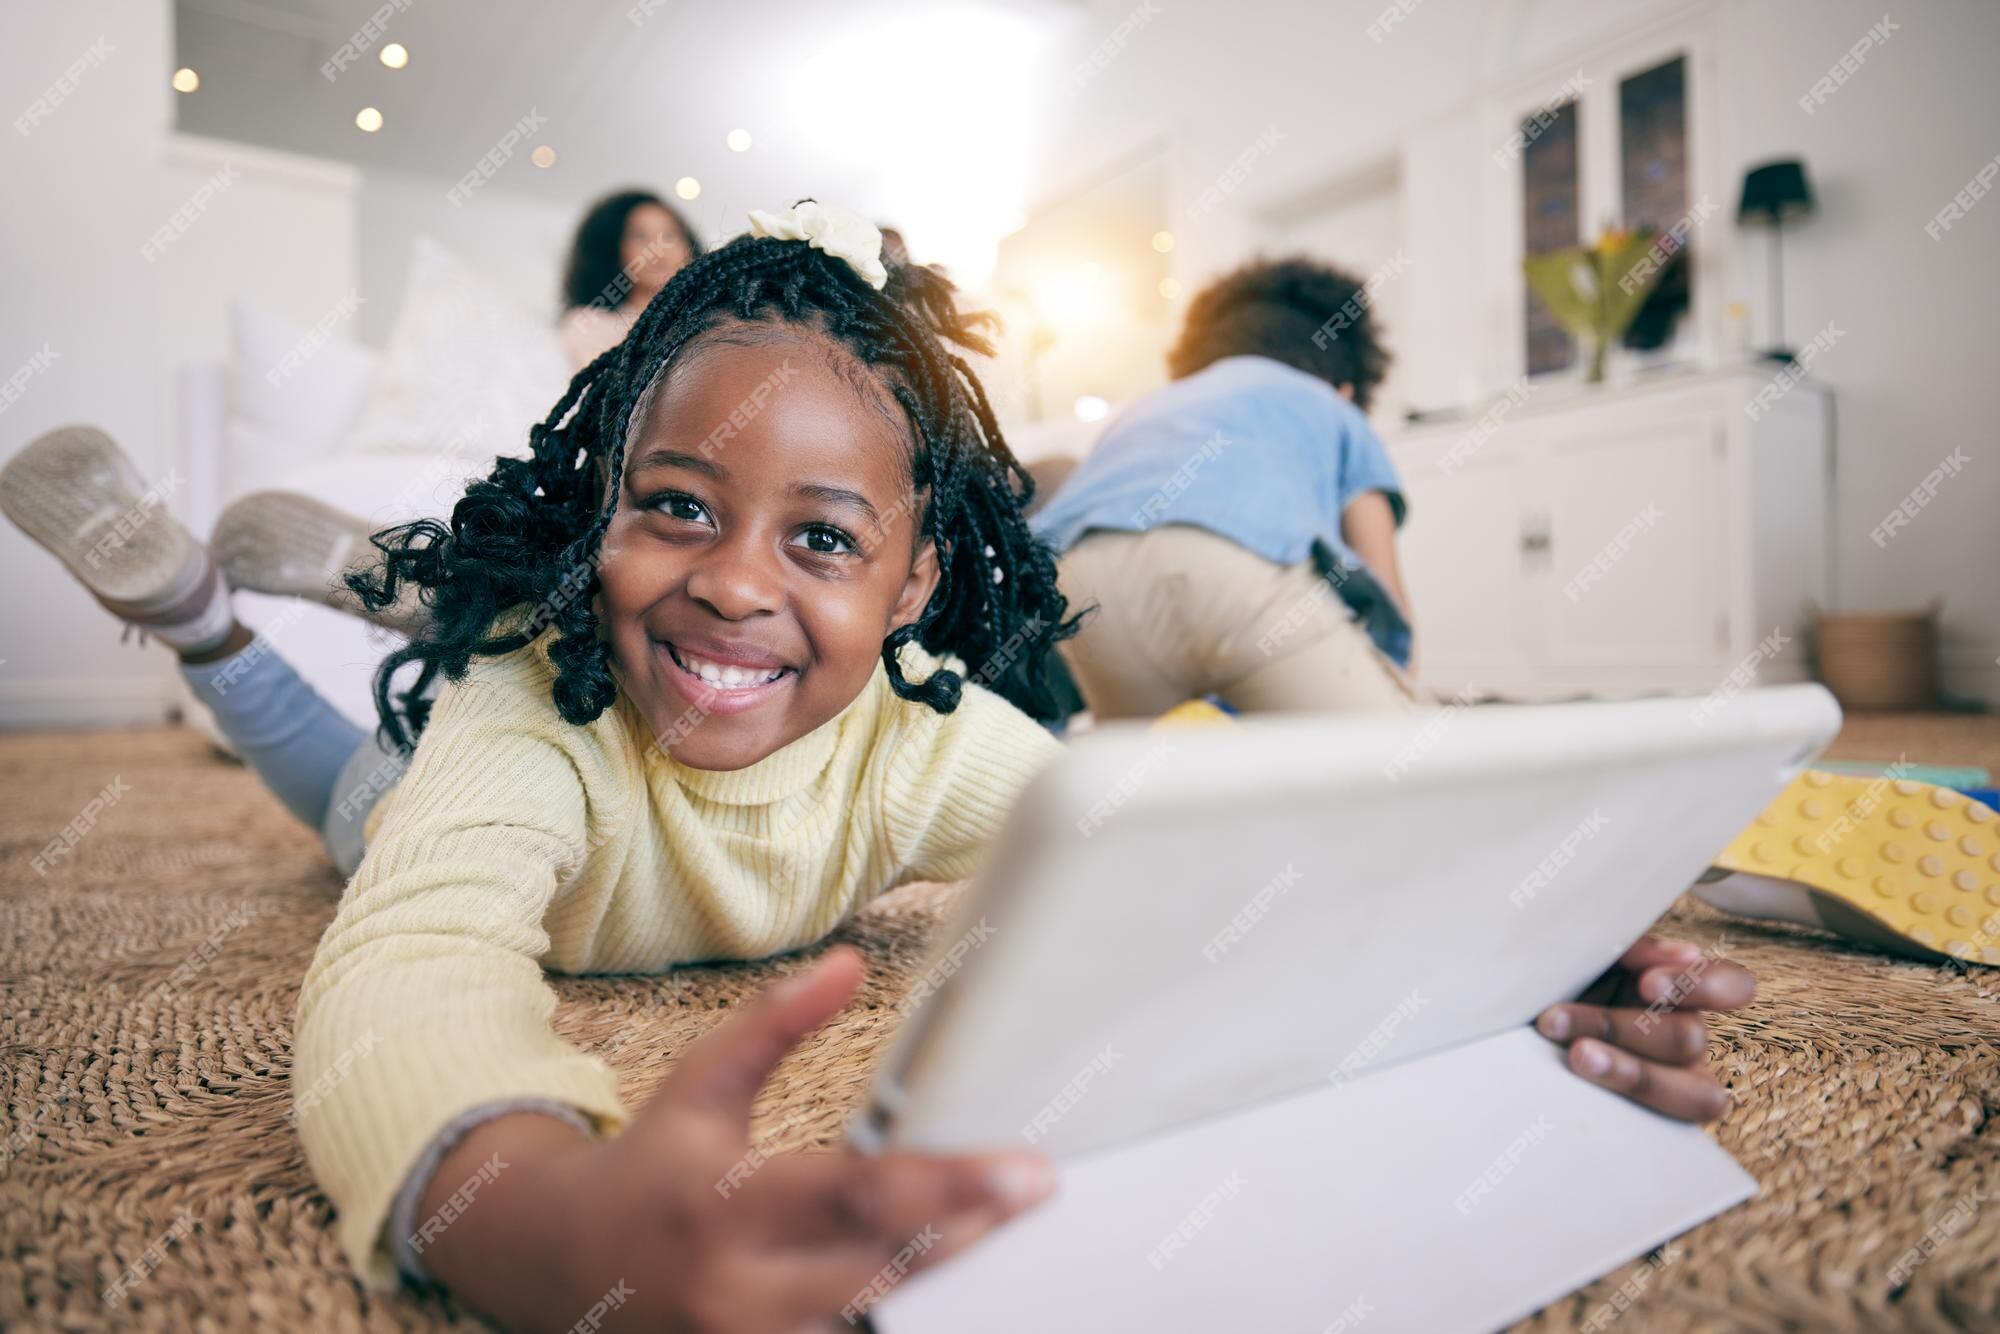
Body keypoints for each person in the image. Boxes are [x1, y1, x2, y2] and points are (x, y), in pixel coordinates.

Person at [0, 209, 1752, 1331]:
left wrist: (1519, 954)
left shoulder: (926, 738)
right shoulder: (535, 724)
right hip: (480, 747)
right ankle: (211, 606)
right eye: (675, 502)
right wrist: (539, 1209)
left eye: (822, 537)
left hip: (629, 669)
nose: (742, 579)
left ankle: (395, 568)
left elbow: (1180, 856)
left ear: (916, 587)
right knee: (354, 803)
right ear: (617, 501)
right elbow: (403, 969)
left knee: (515, 618)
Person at [1031, 256, 1421, 720]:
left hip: (1084, 586)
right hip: (1227, 573)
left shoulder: (1154, 406)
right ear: (1345, 389)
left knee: (1154, 776)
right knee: (1390, 761)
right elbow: (1383, 584)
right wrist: (1398, 684)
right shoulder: (1331, 406)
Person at [559, 188, 703, 370]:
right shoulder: (589, 323)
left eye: (669, 235)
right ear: (612, 250)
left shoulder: (715, 315)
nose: (658, 248)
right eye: (639, 236)